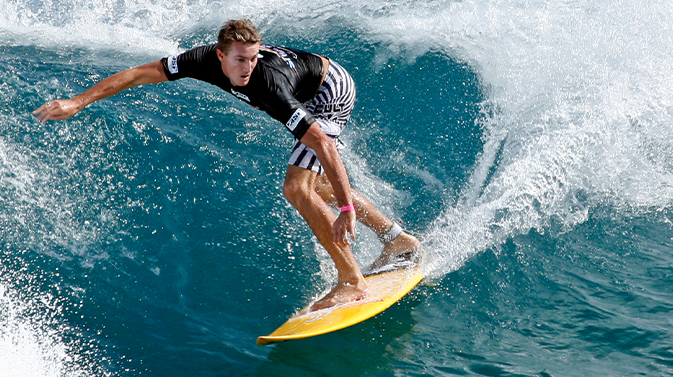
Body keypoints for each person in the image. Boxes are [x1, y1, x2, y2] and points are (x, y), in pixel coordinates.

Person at [34, 19, 420, 310]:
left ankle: (351, 280)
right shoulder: (200, 59)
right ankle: (397, 239)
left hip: (330, 91)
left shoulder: (267, 85)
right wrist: (78, 102)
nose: (247, 67)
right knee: (315, 186)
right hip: (312, 79)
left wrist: (347, 209)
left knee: (297, 187)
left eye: (253, 58)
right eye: (239, 59)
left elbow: (322, 143)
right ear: (219, 55)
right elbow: (139, 74)